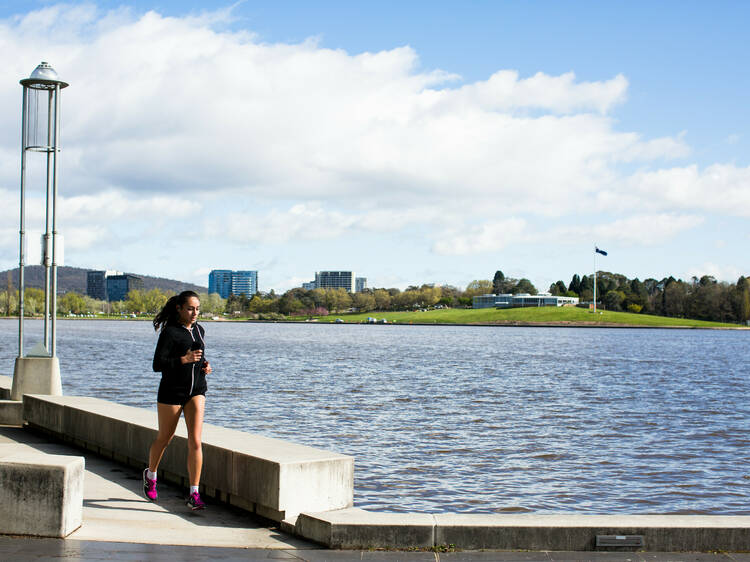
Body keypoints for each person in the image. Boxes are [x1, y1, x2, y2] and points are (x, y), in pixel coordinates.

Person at [143, 290, 212, 510]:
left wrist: (204, 366)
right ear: (179, 309)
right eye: (190, 308)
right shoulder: (170, 333)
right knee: (165, 437)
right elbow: (158, 365)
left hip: (196, 390)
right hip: (172, 391)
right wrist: (184, 359)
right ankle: (151, 475)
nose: (195, 313)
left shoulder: (200, 331)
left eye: (197, 309)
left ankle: (194, 493)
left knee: (196, 441)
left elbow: (198, 356)